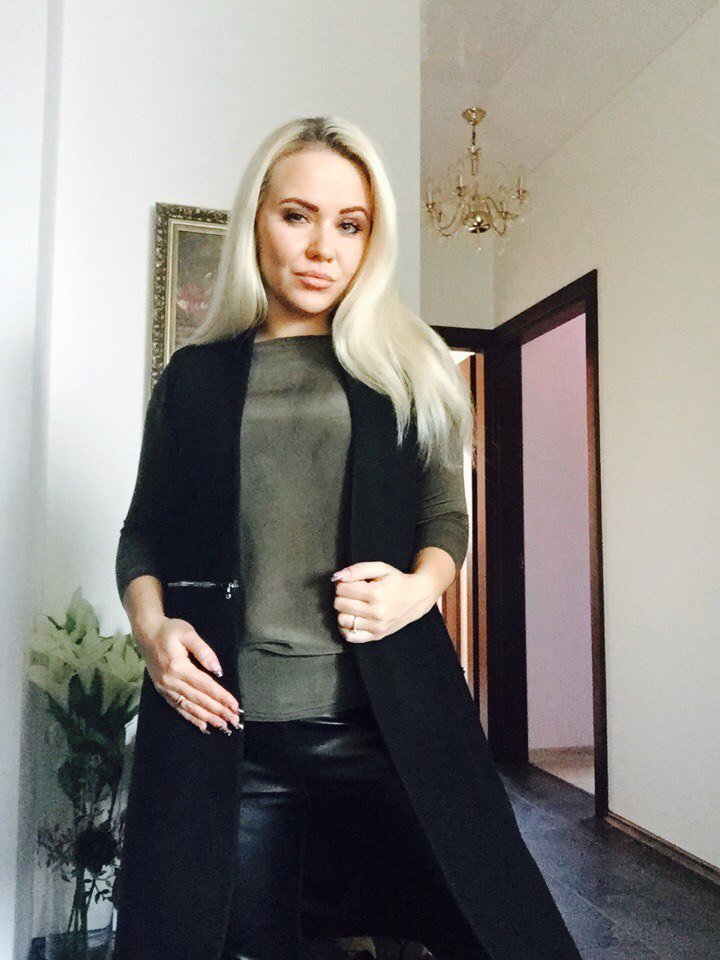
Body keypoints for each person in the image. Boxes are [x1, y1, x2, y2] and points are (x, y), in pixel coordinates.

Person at [114, 116, 583, 960]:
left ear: (372, 240)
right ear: (257, 219)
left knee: (500, 930)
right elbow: (142, 531)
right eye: (297, 216)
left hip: (386, 724)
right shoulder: (195, 379)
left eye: (350, 225)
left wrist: (416, 588)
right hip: (228, 733)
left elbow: (445, 520)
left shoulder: (406, 365)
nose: (321, 248)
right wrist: (153, 631)